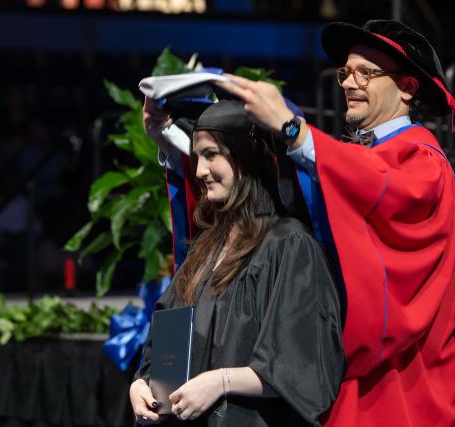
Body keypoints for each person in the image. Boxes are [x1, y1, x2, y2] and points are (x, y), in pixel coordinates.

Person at [216, 20, 455, 427]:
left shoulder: (421, 162)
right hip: (352, 384)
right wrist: (172, 137)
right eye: (345, 72)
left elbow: (375, 185)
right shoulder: (358, 160)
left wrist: (293, 129)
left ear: (408, 87)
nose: (347, 83)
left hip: (404, 387)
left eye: (365, 73)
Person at [129, 100, 345, 426]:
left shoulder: (288, 245)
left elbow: (302, 366)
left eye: (211, 155)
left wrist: (220, 382)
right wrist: (141, 383)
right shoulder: (206, 246)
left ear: (244, 156)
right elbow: (164, 339)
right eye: (197, 157)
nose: (200, 171)